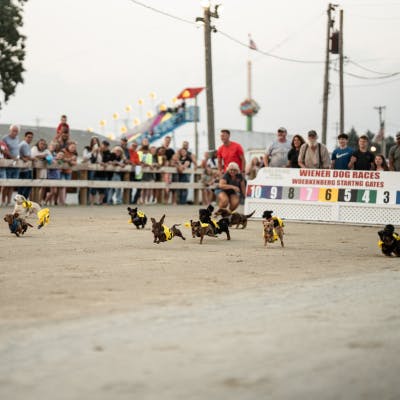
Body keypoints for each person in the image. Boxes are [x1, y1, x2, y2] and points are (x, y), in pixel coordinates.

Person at [2, 124, 20, 206]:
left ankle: (9, 201)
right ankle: (3, 200)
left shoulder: (17, 139)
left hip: (16, 164)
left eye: (16, 131)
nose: (15, 132)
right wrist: (12, 157)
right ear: (10, 130)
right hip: (8, 162)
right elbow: (3, 149)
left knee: (12, 183)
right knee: (6, 183)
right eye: (13, 130)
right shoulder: (5, 138)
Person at [31, 138, 51, 204]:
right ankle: (33, 200)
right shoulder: (34, 148)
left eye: (44, 144)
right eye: (41, 144)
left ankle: (39, 201)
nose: (42, 145)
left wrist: (40, 156)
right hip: (35, 169)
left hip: (43, 170)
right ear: (38, 144)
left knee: (43, 186)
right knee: (34, 186)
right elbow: (33, 155)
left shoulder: (47, 150)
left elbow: (50, 158)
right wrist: (44, 156)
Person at [18, 131, 35, 199]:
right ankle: (22, 200)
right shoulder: (24, 144)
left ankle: (21, 200)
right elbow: (27, 156)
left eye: (31, 137)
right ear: (25, 137)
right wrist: (34, 158)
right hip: (24, 169)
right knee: (26, 185)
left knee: (24, 185)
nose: (30, 139)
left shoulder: (26, 144)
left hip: (26, 168)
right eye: (28, 137)